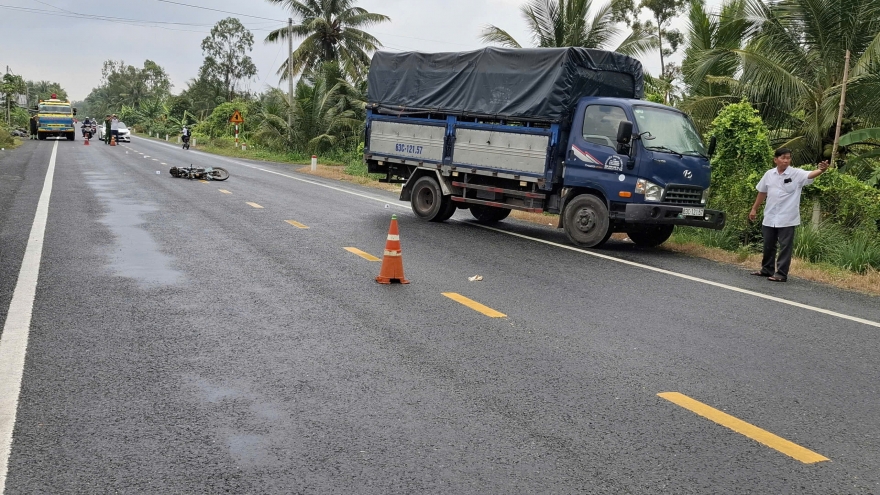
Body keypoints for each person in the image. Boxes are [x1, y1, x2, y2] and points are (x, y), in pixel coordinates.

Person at [749, 147, 829, 282]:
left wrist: (822, 170)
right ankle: (766, 269)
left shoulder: (796, 174)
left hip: (787, 217)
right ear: (775, 160)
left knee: (785, 246)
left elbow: (810, 174)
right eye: (783, 158)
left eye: (788, 158)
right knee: (768, 244)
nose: (786, 161)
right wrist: (754, 209)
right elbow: (762, 192)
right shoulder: (769, 174)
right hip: (770, 216)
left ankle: (781, 274)